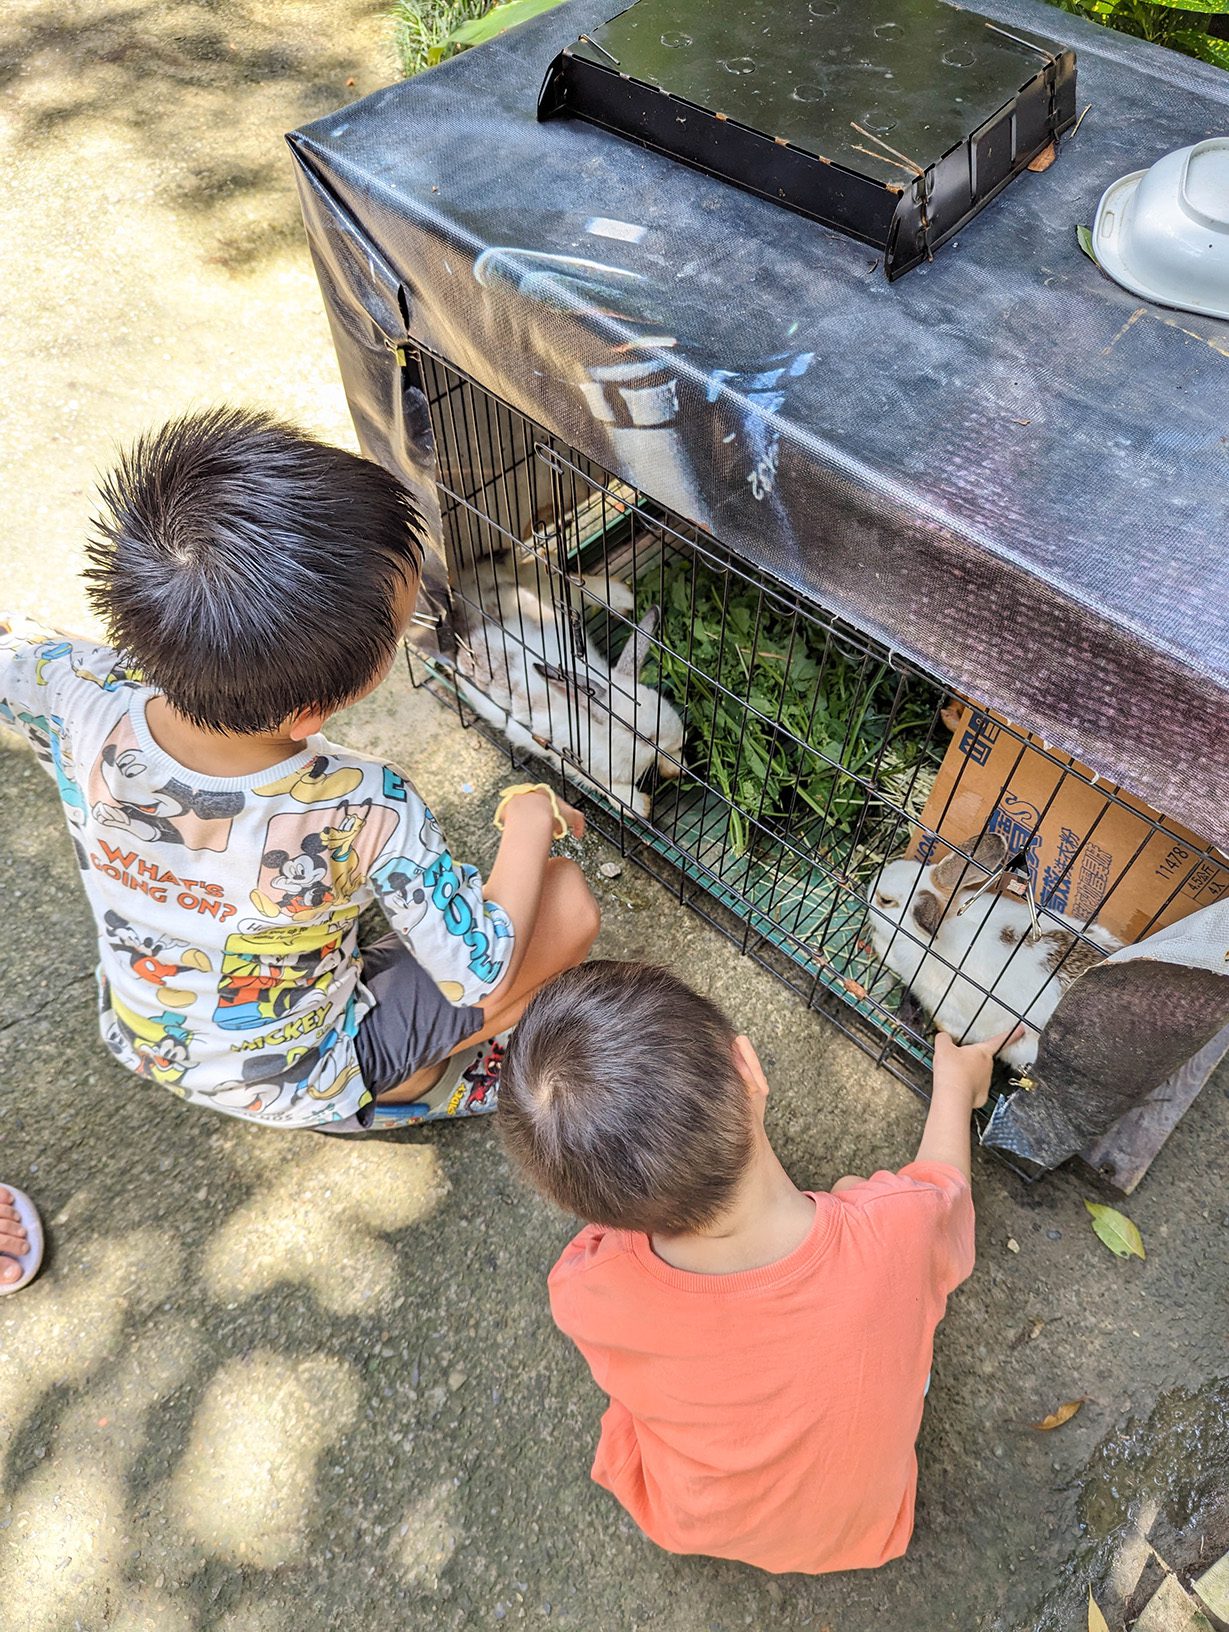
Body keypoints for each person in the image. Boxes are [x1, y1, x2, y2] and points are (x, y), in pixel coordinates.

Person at [0, 408, 599, 1132]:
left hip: (153, 1036)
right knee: (564, 903)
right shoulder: (366, 806)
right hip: (306, 1071)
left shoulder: (70, 687)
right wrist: (530, 817)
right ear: (316, 711)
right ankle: (408, 1081)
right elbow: (479, 968)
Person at [498, 960, 1020, 1576]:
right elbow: (944, 1188)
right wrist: (957, 1085)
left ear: (585, 1207)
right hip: (856, 1527)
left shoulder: (584, 1287)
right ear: (748, 1070)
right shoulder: (896, 1228)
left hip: (698, 1517)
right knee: (866, 1206)